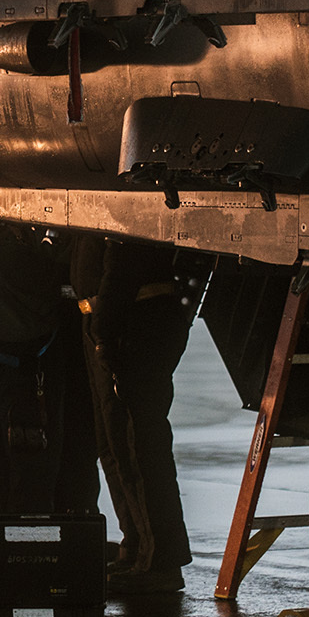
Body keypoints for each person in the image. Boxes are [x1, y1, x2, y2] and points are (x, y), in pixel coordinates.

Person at [80, 238, 213, 593]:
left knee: (138, 446)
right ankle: (139, 548)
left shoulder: (116, 210)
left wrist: (104, 331)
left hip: (129, 321)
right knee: (118, 445)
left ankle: (160, 561)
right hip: (115, 319)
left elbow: (121, 264)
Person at [0, 213, 97, 516]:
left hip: (11, 357)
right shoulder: (24, 228)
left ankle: (8, 542)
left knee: (0, 461)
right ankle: (24, 542)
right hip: (17, 358)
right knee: (20, 462)